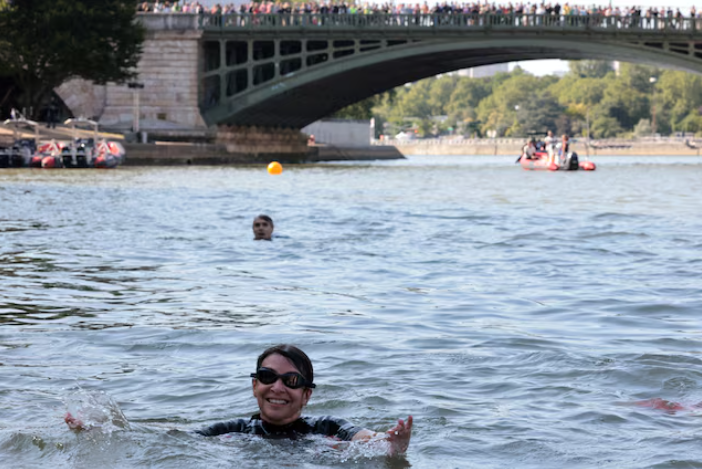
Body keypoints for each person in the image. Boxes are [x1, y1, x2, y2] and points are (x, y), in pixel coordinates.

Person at [66, 344, 413, 458]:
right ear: (254, 386)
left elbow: (363, 439)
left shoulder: (327, 427)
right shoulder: (236, 430)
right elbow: (174, 436)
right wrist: (108, 429)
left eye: (290, 381)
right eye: (267, 377)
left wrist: (391, 443)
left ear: (306, 395)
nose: (277, 387)